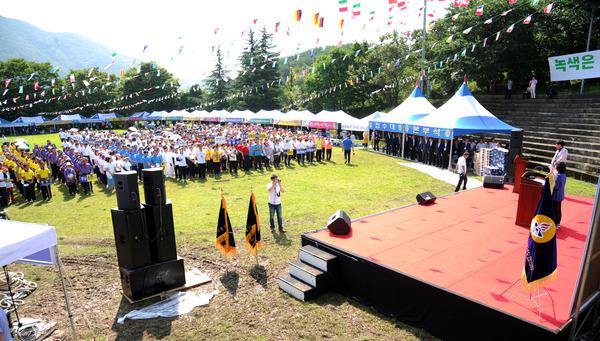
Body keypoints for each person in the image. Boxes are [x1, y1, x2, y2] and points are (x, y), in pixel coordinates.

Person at [552, 162, 567, 229]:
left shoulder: (558, 176)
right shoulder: (563, 175)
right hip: (561, 195)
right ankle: (557, 223)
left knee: (555, 209)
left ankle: (555, 223)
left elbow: (556, 187)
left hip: (556, 196)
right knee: (558, 209)